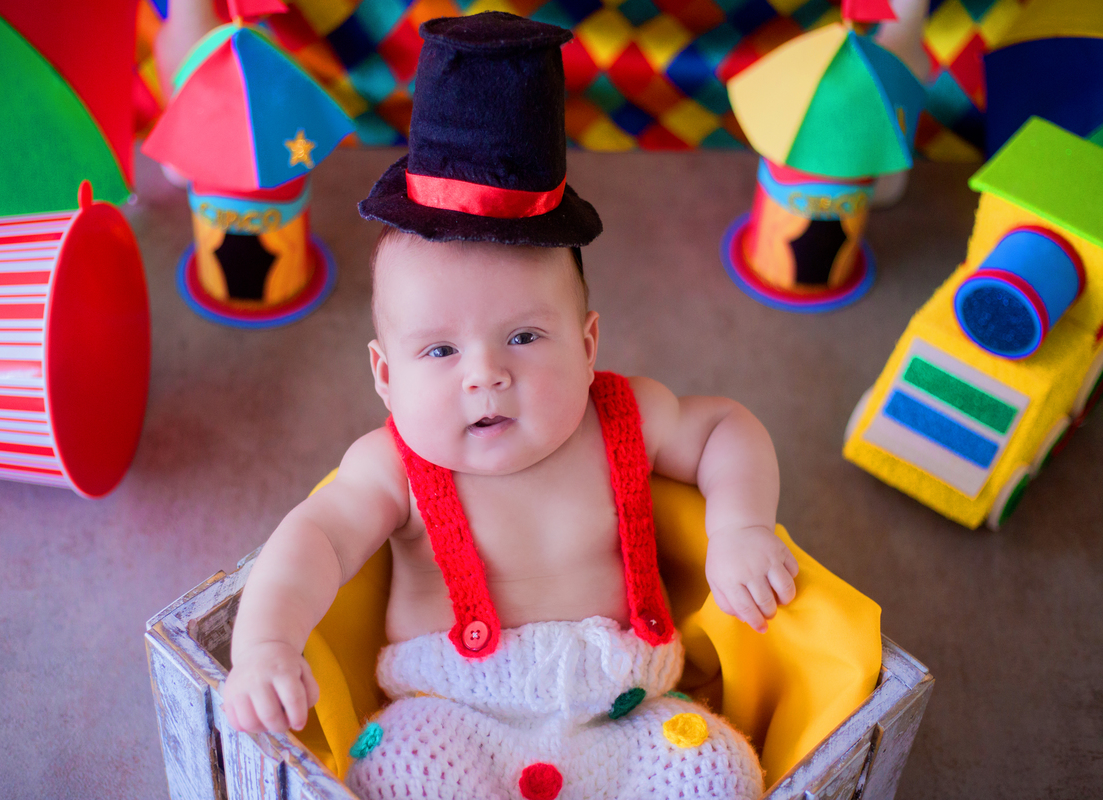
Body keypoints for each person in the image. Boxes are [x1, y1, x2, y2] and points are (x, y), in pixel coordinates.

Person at [223, 13, 798, 799]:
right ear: (384, 375)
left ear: (589, 344)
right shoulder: (392, 465)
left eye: (525, 337)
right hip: (454, 717)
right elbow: (314, 541)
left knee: (716, 766)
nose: (486, 376)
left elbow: (728, 428)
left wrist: (741, 528)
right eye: (439, 351)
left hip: (625, 713)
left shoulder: (623, 416)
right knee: (393, 768)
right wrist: (265, 644)